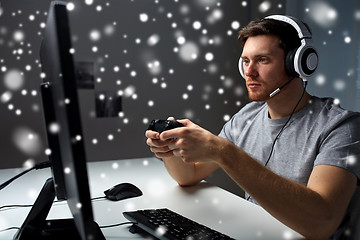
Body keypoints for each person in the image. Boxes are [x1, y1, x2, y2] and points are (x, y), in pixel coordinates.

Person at [145, 15, 360, 240]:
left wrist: (224, 152)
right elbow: (190, 175)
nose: (249, 72)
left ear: (298, 63)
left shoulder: (342, 127)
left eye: (263, 60)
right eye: (246, 61)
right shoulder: (246, 117)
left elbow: (322, 223)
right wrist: (169, 149)